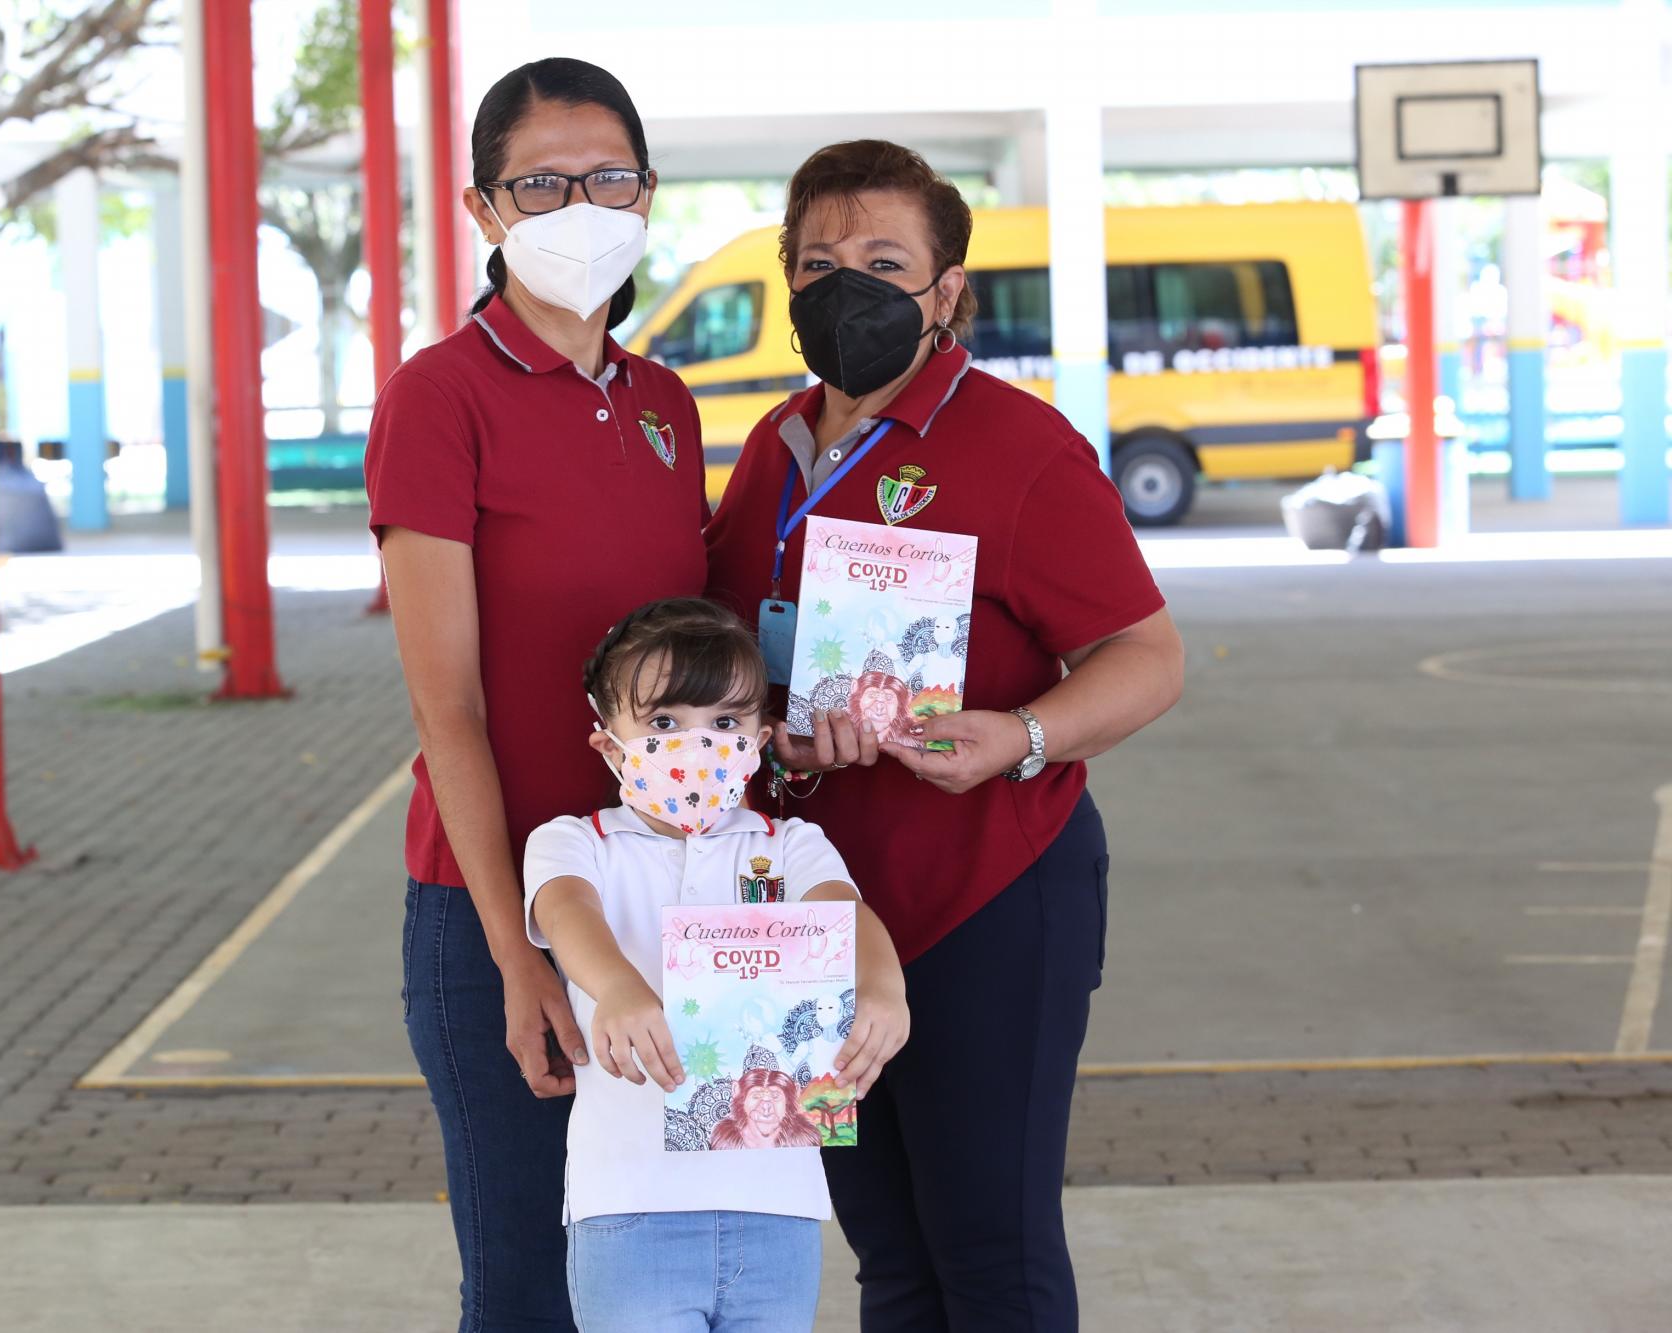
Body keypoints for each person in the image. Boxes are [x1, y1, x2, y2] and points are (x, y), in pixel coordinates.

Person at [705, 140, 1186, 1332]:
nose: (847, 287)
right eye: (817, 263)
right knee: (885, 1251)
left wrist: (1017, 735)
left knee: (991, 1250)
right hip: (811, 910)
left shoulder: (1020, 449)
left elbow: (1146, 656)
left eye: (883, 261)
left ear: (947, 289)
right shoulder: (768, 452)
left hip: (986, 895)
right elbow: (731, 645)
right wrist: (760, 729)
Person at [365, 58, 710, 1331]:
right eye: (543, 181)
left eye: (609, 175)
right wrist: (521, 960)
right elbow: (444, 705)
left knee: (662, 1281)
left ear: (646, 194)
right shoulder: (438, 399)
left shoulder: (665, 403)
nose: (583, 204)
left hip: (657, 900)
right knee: (526, 1289)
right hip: (499, 913)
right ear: (482, 210)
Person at [523, 598, 910, 1333]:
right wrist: (616, 988)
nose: (697, 743)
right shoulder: (574, 842)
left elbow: (847, 916)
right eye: (664, 723)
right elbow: (566, 912)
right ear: (609, 744)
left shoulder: (792, 844)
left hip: (778, 1206)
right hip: (629, 1204)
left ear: (761, 738)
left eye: (725, 723)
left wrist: (884, 987)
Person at [708, 1068, 824, 1150]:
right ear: (736, 1092)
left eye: (775, 1096)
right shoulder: (725, 1138)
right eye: (756, 1096)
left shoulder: (805, 1138)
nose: (766, 1108)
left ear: (795, 1095)